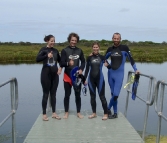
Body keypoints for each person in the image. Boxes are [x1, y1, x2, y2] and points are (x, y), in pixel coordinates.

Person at [105, 32, 140, 119]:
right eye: (115, 38)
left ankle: (108, 109)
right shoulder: (110, 49)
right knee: (113, 94)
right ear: (112, 39)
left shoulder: (125, 48)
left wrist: (136, 69)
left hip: (119, 75)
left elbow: (131, 59)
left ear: (120, 39)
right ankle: (115, 113)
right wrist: (108, 65)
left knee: (116, 94)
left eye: (118, 38)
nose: (116, 40)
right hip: (110, 74)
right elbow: (103, 59)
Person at [36, 35, 62, 121]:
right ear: (47, 41)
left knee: (53, 94)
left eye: (54, 41)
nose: (53, 42)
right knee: (46, 94)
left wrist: (60, 68)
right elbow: (37, 59)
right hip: (45, 74)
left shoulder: (55, 51)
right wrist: (47, 56)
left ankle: (54, 113)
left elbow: (61, 61)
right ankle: (44, 114)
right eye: (51, 41)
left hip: (55, 75)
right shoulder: (43, 50)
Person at [60, 32, 85, 119]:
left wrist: (81, 69)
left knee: (78, 95)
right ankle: (66, 112)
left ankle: (78, 112)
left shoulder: (79, 50)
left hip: (77, 77)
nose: (73, 42)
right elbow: (61, 63)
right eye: (72, 40)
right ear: (69, 40)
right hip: (67, 76)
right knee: (67, 95)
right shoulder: (64, 50)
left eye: (75, 40)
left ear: (77, 41)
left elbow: (83, 61)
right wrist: (68, 63)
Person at [84, 42, 108, 120]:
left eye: (96, 47)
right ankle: (94, 113)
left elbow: (109, 67)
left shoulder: (102, 57)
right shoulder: (89, 57)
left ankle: (106, 113)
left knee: (102, 97)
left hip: (100, 80)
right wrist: (84, 79)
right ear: (92, 48)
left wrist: (108, 65)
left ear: (99, 48)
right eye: (94, 47)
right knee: (92, 97)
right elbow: (87, 69)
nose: (95, 48)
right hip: (91, 80)